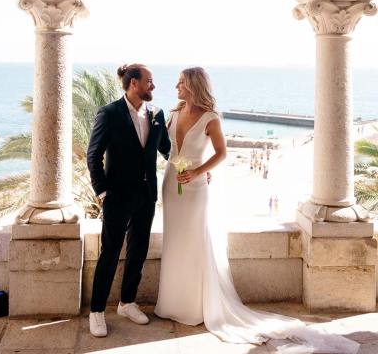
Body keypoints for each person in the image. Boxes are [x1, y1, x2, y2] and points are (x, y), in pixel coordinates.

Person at [154, 67, 359, 353]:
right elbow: (166, 148)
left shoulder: (211, 118)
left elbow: (221, 153)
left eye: (180, 82)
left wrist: (199, 172)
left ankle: (196, 306)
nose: (175, 85)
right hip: (171, 184)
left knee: (194, 242)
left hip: (195, 188)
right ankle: (172, 302)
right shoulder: (173, 113)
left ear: (192, 86)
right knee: (175, 241)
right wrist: (174, 166)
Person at [87, 63, 170, 337]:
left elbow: (167, 150)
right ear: (133, 83)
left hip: (146, 197)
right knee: (109, 253)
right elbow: (94, 154)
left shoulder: (157, 114)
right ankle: (97, 310)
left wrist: (192, 168)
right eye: (149, 81)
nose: (153, 86)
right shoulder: (109, 113)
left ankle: (127, 302)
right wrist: (102, 192)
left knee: (138, 251)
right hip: (117, 197)